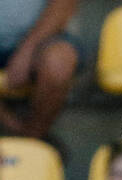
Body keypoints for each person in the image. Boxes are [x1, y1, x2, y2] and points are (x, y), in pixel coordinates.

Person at [0, 0, 80, 139]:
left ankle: (33, 139)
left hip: (42, 36)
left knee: (59, 61)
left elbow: (64, 5)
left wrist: (27, 51)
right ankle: (12, 128)